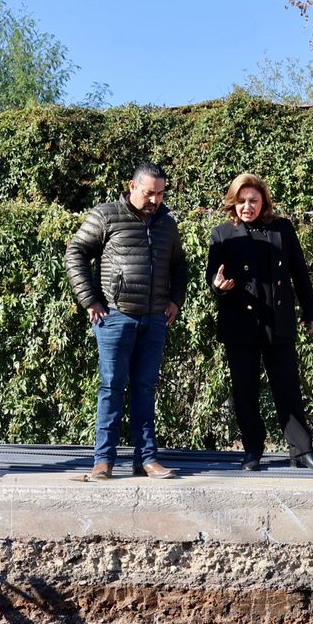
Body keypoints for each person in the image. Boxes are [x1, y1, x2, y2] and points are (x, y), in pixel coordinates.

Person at [64, 161, 189, 481]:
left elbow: (179, 265)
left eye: (160, 194)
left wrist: (176, 299)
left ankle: (146, 460)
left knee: (145, 389)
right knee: (112, 388)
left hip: (154, 320)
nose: (155, 200)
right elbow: (76, 251)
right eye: (149, 193)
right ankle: (102, 461)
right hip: (115, 317)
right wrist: (89, 299)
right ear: (132, 187)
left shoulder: (167, 224)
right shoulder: (106, 215)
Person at [207, 173, 313, 473]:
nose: (247, 206)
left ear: (263, 201)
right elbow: (212, 276)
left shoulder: (281, 229)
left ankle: (302, 451)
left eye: (253, 200)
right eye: (241, 201)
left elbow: (300, 274)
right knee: (244, 390)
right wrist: (217, 285)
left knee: (287, 387)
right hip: (240, 322)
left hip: (278, 321)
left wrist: (311, 313)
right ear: (233, 202)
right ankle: (253, 448)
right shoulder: (222, 234)